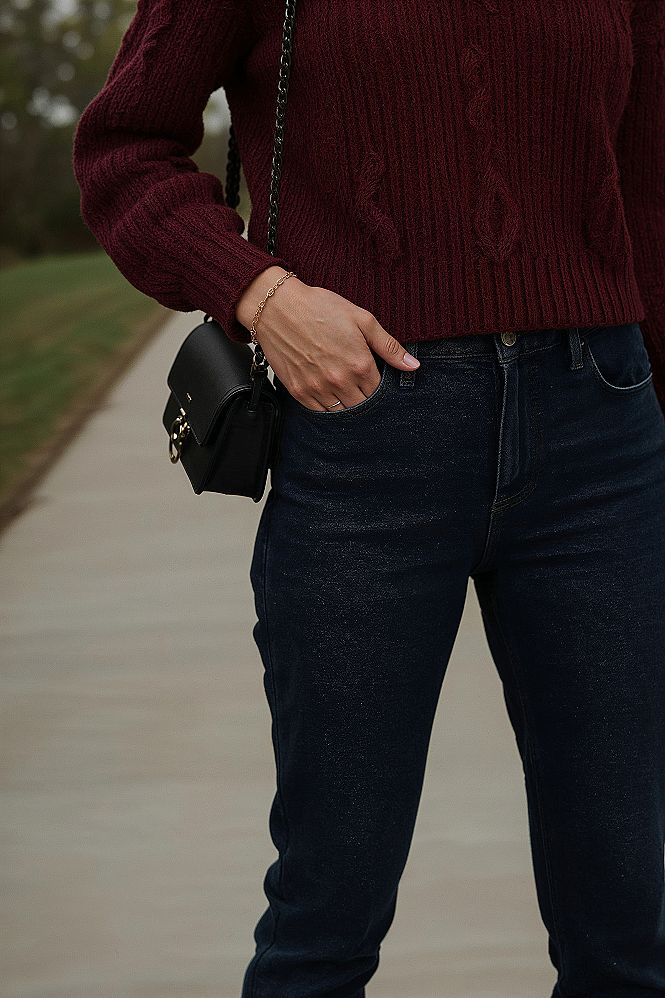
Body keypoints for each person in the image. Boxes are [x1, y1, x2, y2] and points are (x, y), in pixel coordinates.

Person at [72, 3, 665, 995]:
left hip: (600, 436)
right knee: (326, 911)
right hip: (363, 443)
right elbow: (123, 148)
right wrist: (259, 294)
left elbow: (648, 189)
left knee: (627, 929)